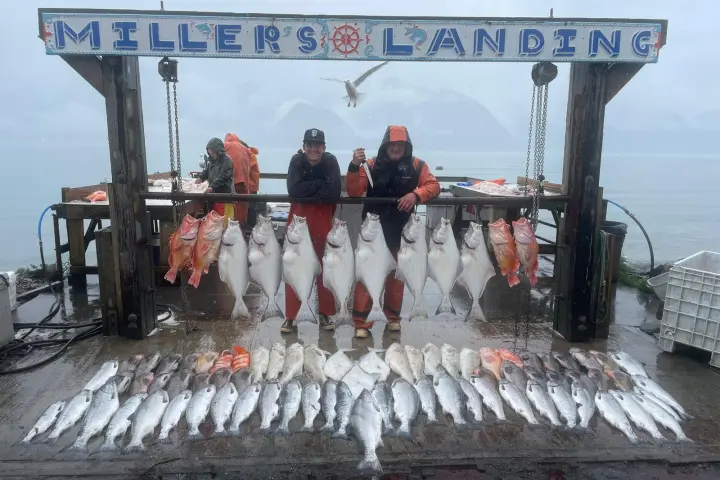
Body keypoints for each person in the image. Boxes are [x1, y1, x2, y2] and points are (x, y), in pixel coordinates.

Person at [346, 125, 440, 339]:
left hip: (402, 231)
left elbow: (433, 186)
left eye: (400, 145)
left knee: (397, 277)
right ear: (385, 145)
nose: (396, 148)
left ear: (406, 146)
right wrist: (353, 166)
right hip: (373, 233)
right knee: (366, 277)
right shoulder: (369, 165)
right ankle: (361, 321)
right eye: (392, 144)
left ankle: (393, 318)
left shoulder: (418, 165)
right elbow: (354, 190)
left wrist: (416, 195)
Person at [282, 128, 341, 333]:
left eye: (318, 145)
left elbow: (334, 192)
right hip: (299, 219)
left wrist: (308, 188)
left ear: (324, 147)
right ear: (303, 146)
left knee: (325, 267)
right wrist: (319, 186)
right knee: (294, 266)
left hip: (323, 220)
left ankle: (324, 313)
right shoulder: (296, 161)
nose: (314, 149)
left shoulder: (330, 162)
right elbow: (293, 190)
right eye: (310, 145)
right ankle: (291, 316)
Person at [196, 137, 234, 225]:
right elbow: (206, 172)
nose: (211, 153)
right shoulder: (211, 161)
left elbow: (224, 177)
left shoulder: (227, 160)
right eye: (210, 151)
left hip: (224, 198)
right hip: (213, 197)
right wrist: (200, 178)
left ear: (218, 150)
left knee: (223, 224)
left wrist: (212, 187)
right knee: (212, 224)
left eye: (213, 151)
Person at [223, 133, 251, 225]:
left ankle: (231, 232)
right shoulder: (245, 148)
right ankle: (242, 232)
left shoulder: (225, 146)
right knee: (242, 210)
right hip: (245, 183)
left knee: (232, 210)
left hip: (233, 183)